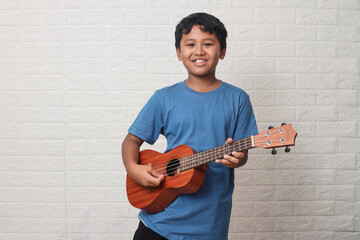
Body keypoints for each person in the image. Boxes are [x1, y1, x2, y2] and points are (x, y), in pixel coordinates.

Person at [122, 12, 258, 240]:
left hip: (210, 227)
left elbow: (242, 154)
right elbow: (131, 141)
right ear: (179, 52)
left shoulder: (238, 99)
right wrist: (133, 169)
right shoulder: (164, 98)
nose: (199, 51)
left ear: (222, 51)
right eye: (190, 44)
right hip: (159, 223)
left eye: (208, 43)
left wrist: (239, 159)